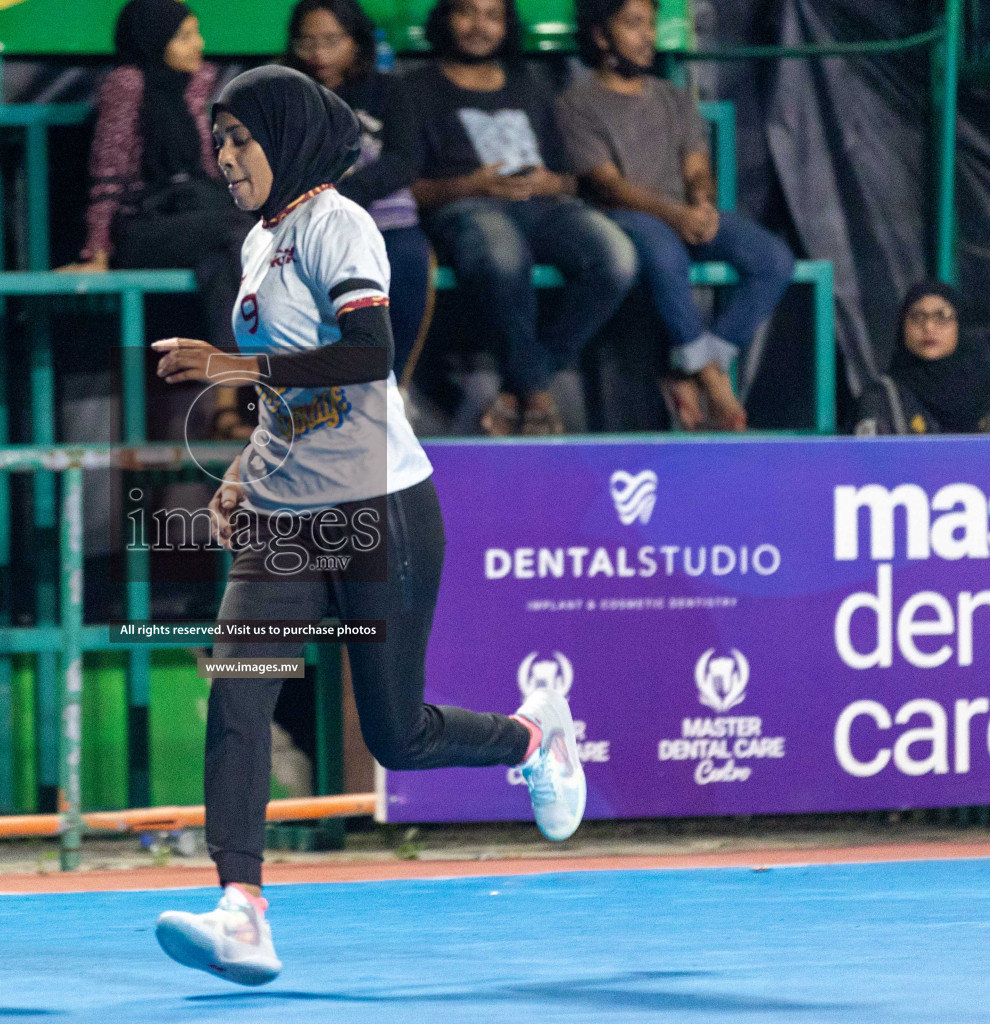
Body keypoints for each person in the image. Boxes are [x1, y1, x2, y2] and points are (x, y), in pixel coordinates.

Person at [146, 65, 586, 986]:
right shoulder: (258, 246)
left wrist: (227, 365)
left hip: (380, 508)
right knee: (239, 696)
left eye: (240, 140)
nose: (223, 157)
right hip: (285, 515)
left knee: (398, 736)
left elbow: (367, 354)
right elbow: (294, 397)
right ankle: (243, 910)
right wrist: (246, 472)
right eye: (217, 141)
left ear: (291, 136)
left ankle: (533, 737)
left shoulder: (337, 224)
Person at [556, 0, 795, 432]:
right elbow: (608, 185)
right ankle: (710, 378)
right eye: (632, 24)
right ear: (600, 35)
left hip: (681, 211)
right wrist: (676, 215)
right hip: (623, 215)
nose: (647, 35)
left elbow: (696, 166)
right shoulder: (578, 103)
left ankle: (693, 369)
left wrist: (701, 204)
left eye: (650, 24)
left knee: (773, 259)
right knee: (666, 254)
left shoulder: (673, 97)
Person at [408, 0, 637, 435]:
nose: (480, 26)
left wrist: (553, 183)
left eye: (492, 15)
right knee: (502, 256)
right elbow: (409, 191)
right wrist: (473, 186)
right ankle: (537, 393)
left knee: (615, 257)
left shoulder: (529, 85)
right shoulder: (416, 90)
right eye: (467, 13)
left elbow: (571, 180)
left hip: (543, 208)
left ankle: (523, 386)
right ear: (446, 19)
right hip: (468, 208)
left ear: (506, 25)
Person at [62, 0, 258, 437]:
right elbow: (108, 170)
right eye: (185, 36)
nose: (199, 45)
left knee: (228, 256)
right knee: (235, 231)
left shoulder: (194, 85)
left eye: (197, 33)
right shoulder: (128, 84)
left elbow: (206, 168)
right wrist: (96, 251)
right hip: (140, 227)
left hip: (194, 221)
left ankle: (228, 407)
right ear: (155, 39)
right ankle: (240, 387)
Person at [285, 0, 433, 389]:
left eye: (331, 41)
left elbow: (405, 159)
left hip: (385, 219)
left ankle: (389, 388)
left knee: (408, 262)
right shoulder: (284, 94)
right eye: (306, 42)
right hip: (311, 224)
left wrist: (348, 191)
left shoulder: (388, 90)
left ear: (356, 41)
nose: (318, 54)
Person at [855, 282, 990, 435]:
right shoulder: (882, 399)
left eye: (942, 316)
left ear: (961, 326)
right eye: (917, 317)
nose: (928, 327)